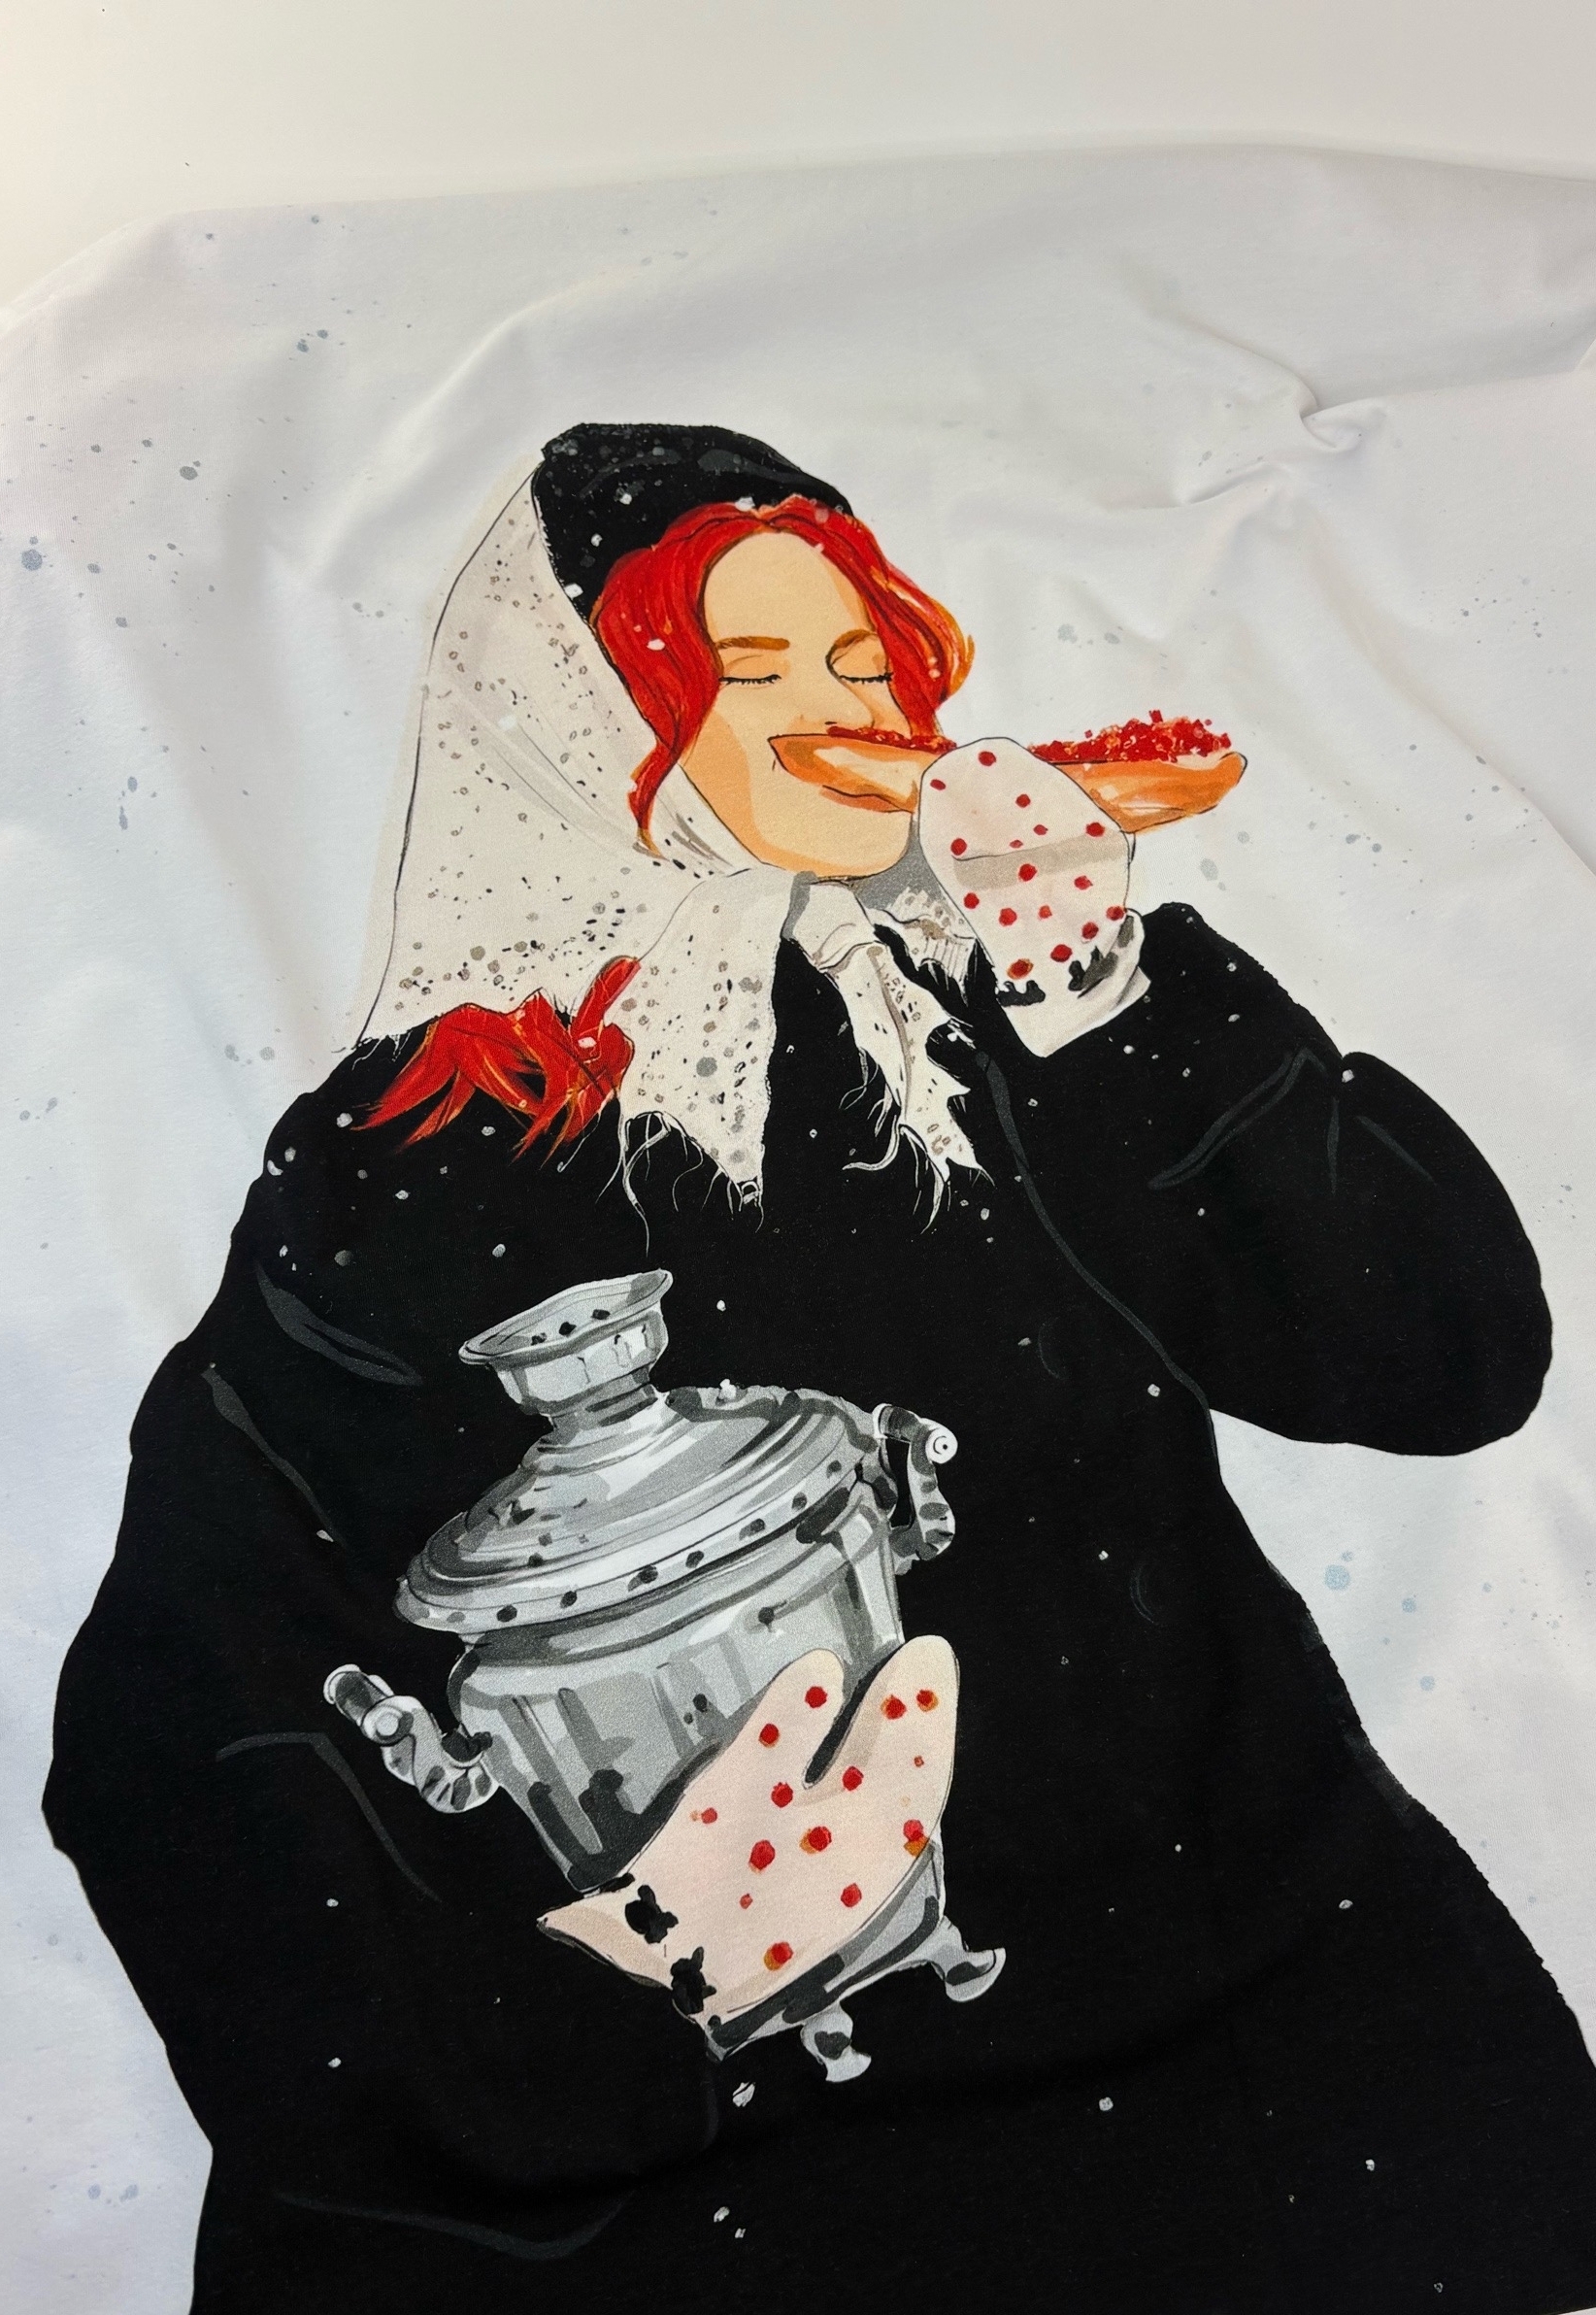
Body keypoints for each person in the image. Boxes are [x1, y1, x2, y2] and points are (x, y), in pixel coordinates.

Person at [46, 423, 1596, 2315]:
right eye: (749, 669)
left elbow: (1448, 1361)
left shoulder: (1015, 997)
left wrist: (1099, 991)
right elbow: (177, 1721)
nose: (843, 708)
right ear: (579, 732)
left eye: (861, 653)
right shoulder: (421, 1158)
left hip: (1255, 2043)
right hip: (728, 2182)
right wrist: (621, 1966)